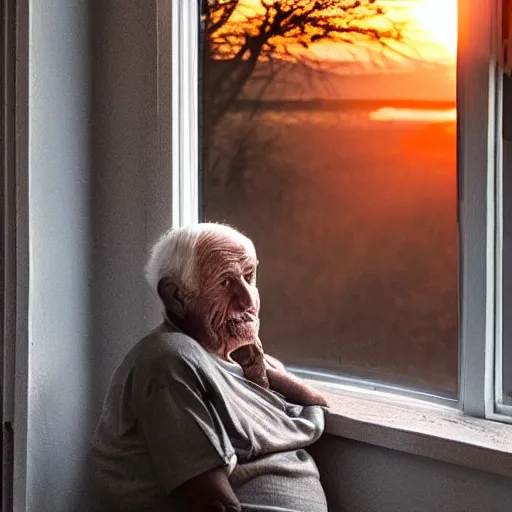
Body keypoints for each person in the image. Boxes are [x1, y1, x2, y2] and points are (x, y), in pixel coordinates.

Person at [89, 223, 329, 511]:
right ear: (177, 297)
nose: (248, 299)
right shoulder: (168, 359)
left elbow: (317, 403)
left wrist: (267, 375)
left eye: (249, 277)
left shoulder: (241, 360)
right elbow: (214, 505)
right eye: (225, 283)